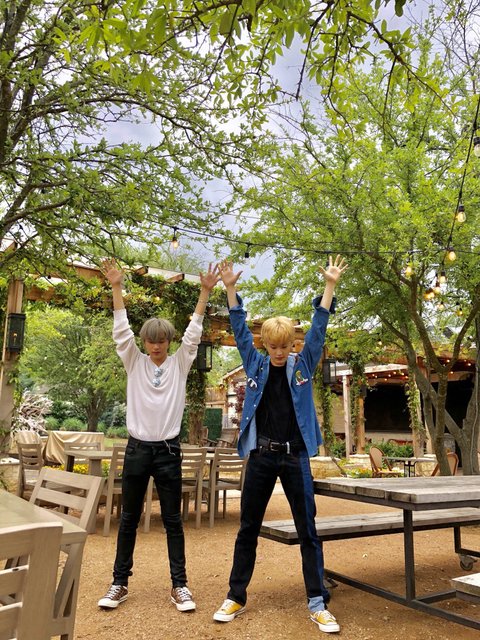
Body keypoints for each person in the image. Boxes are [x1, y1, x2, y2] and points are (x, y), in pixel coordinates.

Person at [213, 255, 347, 634]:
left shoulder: (302, 366)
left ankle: (317, 601)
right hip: (261, 455)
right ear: (265, 344)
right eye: (273, 346)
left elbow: (318, 329)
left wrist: (329, 286)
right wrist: (230, 289)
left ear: (292, 344)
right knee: (248, 527)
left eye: (284, 345)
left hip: (295, 457)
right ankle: (235, 595)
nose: (278, 351)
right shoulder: (255, 364)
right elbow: (239, 329)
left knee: (308, 530)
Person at [98, 258, 220, 612]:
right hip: (137, 450)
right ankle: (119, 583)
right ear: (144, 342)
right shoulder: (134, 361)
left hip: (168, 451)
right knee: (128, 519)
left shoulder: (179, 364)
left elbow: (194, 332)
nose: (156, 346)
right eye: (151, 341)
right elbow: (121, 330)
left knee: (172, 521)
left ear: (169, 341)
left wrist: (204, 292)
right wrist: (117, 287)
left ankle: (180, 585)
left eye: (162, 340)